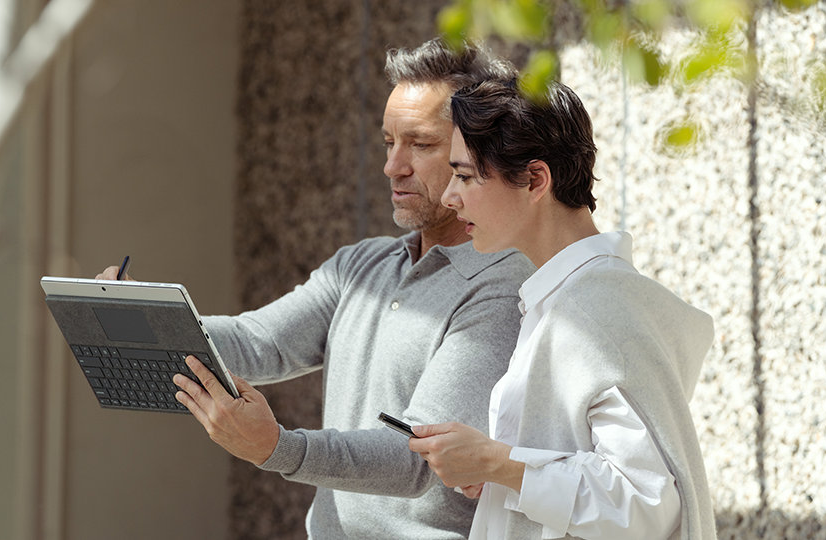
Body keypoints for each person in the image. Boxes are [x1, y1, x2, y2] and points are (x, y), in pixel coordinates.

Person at [98, 39, 535, 538]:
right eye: (389, 142)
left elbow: (417, 457)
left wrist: (278, 448)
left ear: (473, 155)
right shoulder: (361, 265)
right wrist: (151, 316)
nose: (394, 166)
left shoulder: (503, 285)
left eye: (420, 143)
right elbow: (258, 341)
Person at [407, 79, 716, 540]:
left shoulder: (596, 309)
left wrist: (499, 462)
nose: (450, 197)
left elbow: (647, 502)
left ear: (535, 180)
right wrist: (496, 468)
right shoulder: (568, 299)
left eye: (466, 175)